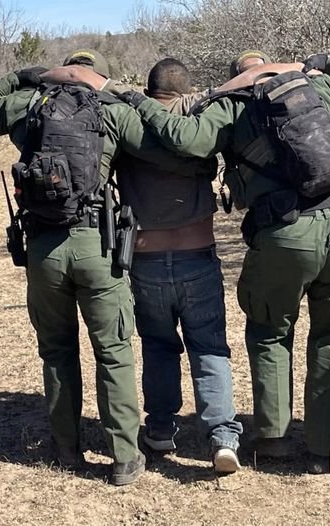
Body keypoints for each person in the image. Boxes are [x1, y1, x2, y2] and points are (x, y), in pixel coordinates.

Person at [117, 53, 330, 474]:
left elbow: (184, 138)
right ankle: (325, 448)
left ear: (238, 77)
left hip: (284, 234)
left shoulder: (234, 104)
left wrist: (138, 102)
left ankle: (275, 440)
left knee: (270, 331)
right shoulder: (317, 88)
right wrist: (323, 61)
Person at [0, 48, 178, 485]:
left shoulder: (29, 104)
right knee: (113, 352)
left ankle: (65, 449)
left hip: (44, 249)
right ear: (96, 75)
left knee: (57, 353)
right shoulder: (110, 108)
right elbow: (168, 144)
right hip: (98, 244)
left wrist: (20, 75)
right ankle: (123, 457)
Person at [115, 58, 242, 473]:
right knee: (209, 348)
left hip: (146, 259)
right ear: (185, 89)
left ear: (149, 89)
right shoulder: (200, 122)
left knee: (158, 346)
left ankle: (161, 428)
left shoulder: (130, 123)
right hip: (198, 254)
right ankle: (223, 436)